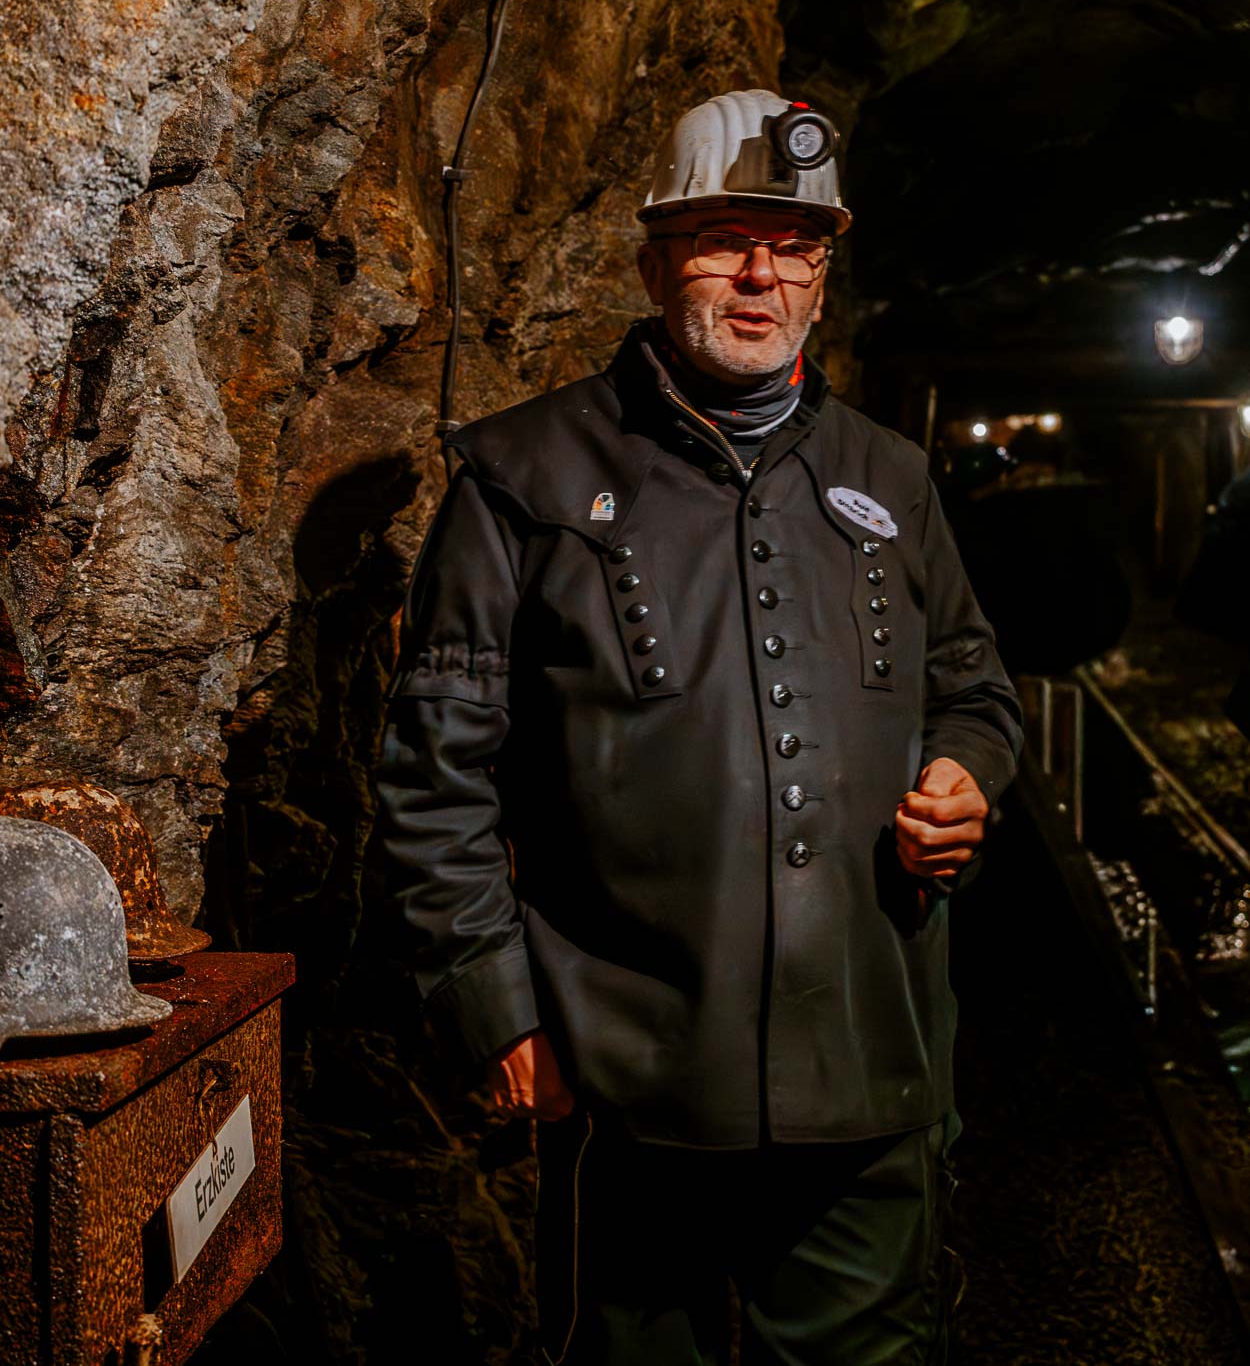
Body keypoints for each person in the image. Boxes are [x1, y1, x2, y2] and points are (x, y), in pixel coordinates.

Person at [376, 89, 1022, 1365]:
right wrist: (491, 998)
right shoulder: (522, 476)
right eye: (725, 240)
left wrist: (966, 772)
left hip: (868, 1053)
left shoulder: (889, 474)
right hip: (623, 1072)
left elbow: (973, 686)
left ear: (823, 279)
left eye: (794, 248)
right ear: (653, 261)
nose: (760, 276)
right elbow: (435, 769)